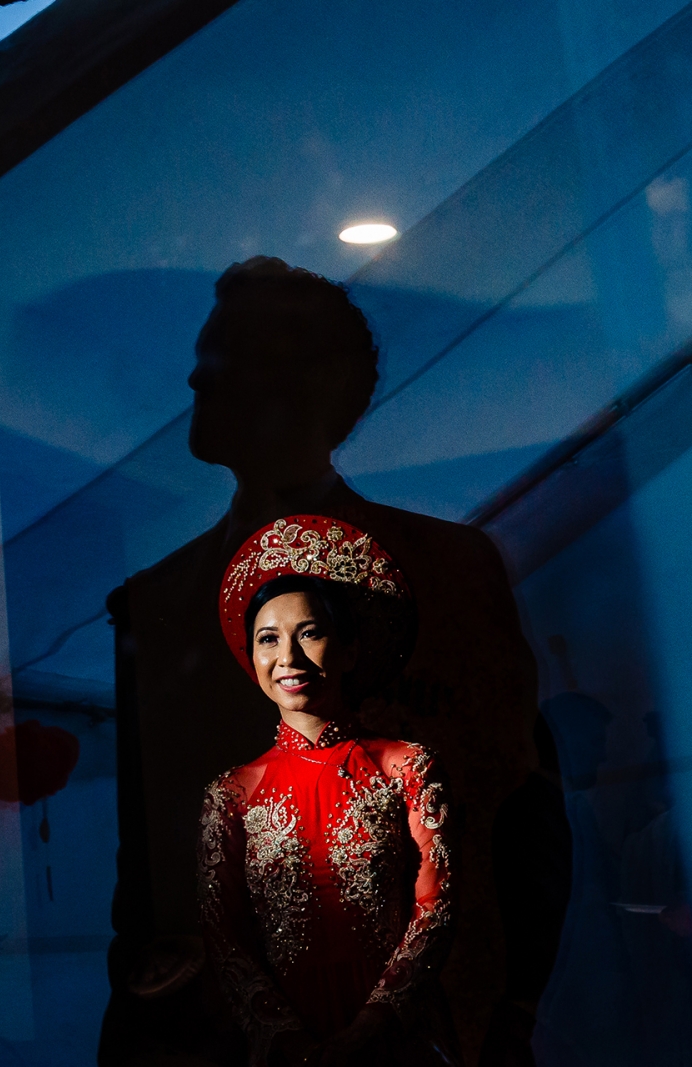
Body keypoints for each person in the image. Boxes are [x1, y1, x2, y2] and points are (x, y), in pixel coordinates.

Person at [99, 258, 540, 1066]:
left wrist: (510, 1012)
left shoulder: (448, 569)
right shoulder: (153, 603)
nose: (196, 373)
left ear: (314, 381)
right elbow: (147, 867)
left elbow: (520, 808)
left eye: (226, 352)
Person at [200, 515, 456, 1067]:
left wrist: (370, 1028)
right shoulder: (231, 795)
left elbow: (437, 906)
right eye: (268, 639)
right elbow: (225, 940)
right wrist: (290, 1041)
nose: (287, 657)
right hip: (288, 1046)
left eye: (309, 632)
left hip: (397, 1032)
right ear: (252, 658)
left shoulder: (406, 766)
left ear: (350, 650)